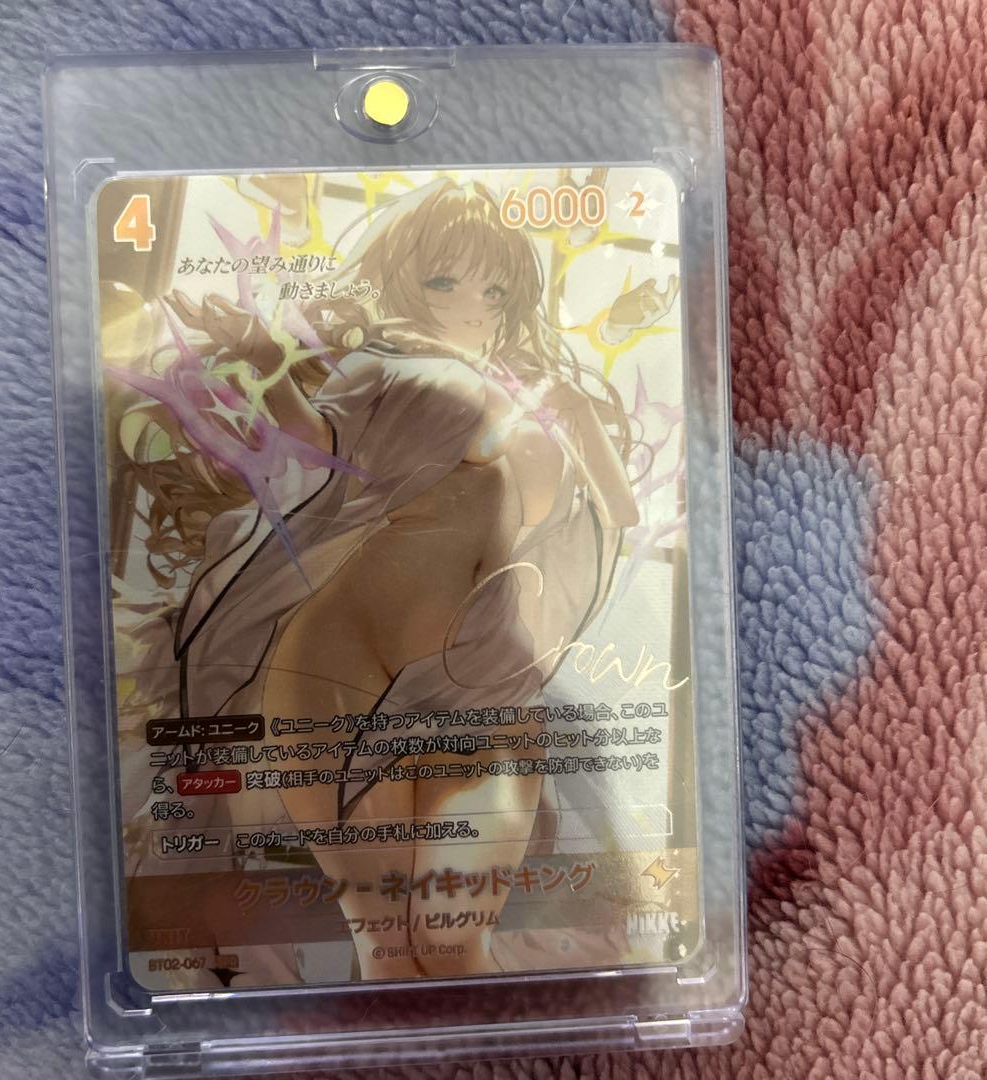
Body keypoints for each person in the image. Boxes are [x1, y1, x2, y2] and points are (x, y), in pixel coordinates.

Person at [122, 178, 660, 981]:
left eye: (494, 288)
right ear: (406, 281)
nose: (472, 305)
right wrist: (262, 366)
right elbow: (314, 445)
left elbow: (622, 516)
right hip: (341, 664)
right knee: (389, 953)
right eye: (445, 280)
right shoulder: (382, 369)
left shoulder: (551, 405)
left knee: (453, 949)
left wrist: (576, 418)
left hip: (482, 677)